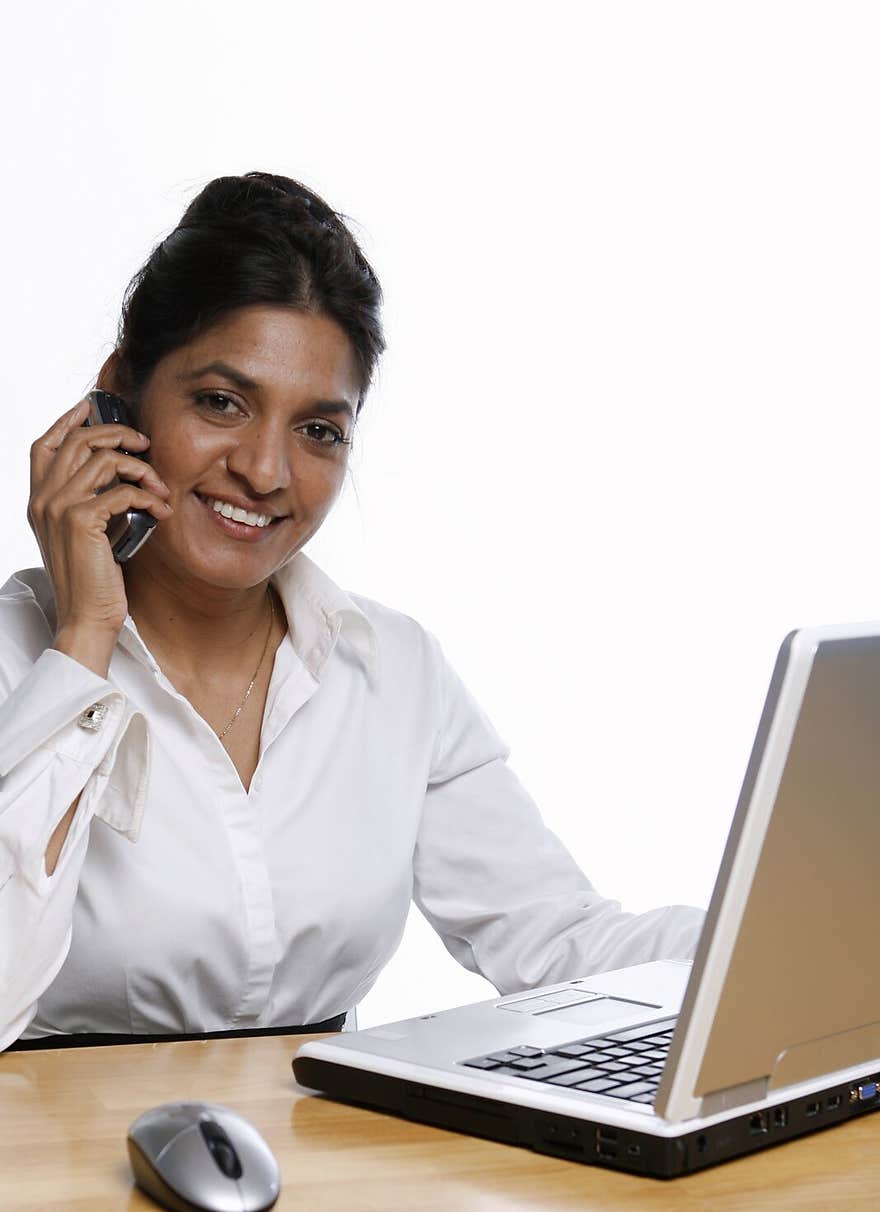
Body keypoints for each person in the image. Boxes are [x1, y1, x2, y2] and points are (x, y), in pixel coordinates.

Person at [0, 171, 704, 1052]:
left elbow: (554, 937)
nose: (264, 471)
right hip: (47, 1177)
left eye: (319, 430)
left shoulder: (391, 668)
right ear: (118, 396)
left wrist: (782, 937)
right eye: (222, 402)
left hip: (319, 1179)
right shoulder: (16, 662)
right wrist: (85, 638)